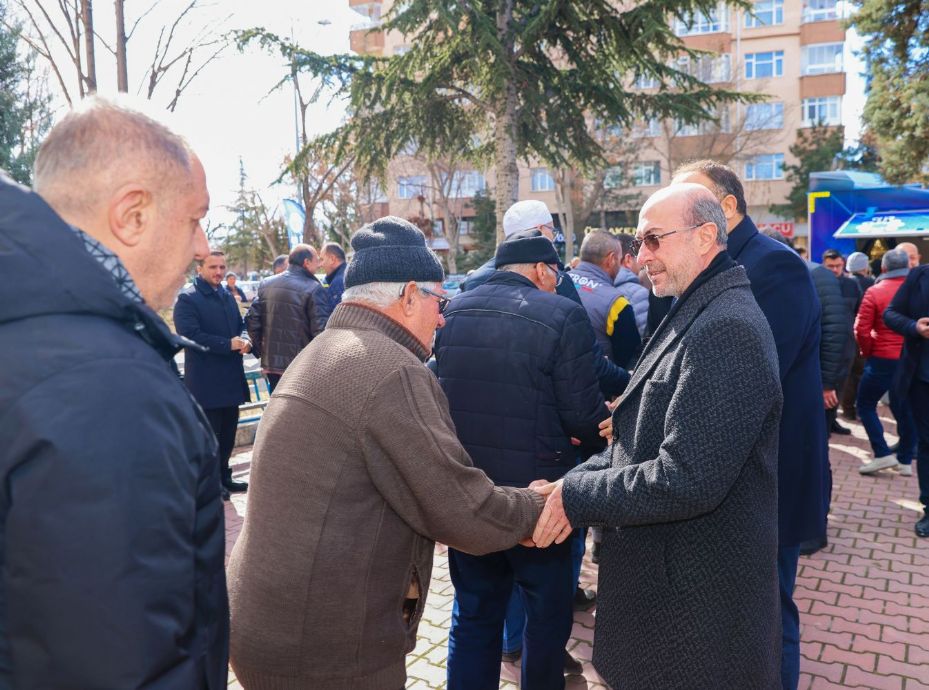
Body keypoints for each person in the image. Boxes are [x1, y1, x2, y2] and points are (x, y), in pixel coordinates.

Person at [227, 217, 545, 689]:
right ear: (410, 294)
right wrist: (538, 504)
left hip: (267, 622)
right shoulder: (391, 369)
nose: (442, 317)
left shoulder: (324, 349)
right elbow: (464, 513)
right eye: (440, 301)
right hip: (324, 652)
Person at [0, 98, 227, 687]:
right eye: (195, 219)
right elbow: (119, 663)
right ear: (133, 214)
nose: (202, 246)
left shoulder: (29, 334)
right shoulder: (106, 387)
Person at [531, 183, 782, 689]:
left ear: (706, 236)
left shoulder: (724, 327)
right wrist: (566, 486)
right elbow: (635, 441)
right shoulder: (695, 309)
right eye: (639, 243)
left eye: (652, 240)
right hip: (672, 597)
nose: (640, 256)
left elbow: (684, 478)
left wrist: (571, 496)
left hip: (693, 613)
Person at [673, 160, 827, 690]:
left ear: (728, 207)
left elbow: (750, 379)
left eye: (688, 198)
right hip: (728, 471)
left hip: (771, 473)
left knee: (768, 610)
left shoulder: (774, 266)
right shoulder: (709, 266)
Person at [435, 230, 608, 690]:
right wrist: (602, 444)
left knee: (474, 615)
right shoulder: (561, 316)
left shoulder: (451, 312)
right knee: (546, 621)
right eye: (555, 274)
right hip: (539, 501)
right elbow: (581, 414)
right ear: (540, 270)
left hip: (471, 497)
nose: (556, 282)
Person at [174, 250, 252, 499]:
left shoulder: (226, 295)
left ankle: (224, 477)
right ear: (199, 269)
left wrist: (247, 340)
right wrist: (227, 344)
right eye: (213, 267)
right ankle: (210, 485)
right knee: (209, 439)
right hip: (206, 382)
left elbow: (241, 325)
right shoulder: (187, 298)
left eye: (222, 267)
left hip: (230, 378)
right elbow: (189, 335)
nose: (219, 272)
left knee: (228, 434)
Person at [854, 249, 916, 475]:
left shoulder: (875, 291)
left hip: (882, 358)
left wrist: (867, 351)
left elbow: (861, 329)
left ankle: (881, 453)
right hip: (912, 358)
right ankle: (906, 460)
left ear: (883, 268)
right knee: (907, 406)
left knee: (865, 404)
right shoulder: (919, 289)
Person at [245, 244, 331, 393]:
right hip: (302, 368)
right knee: (302, 414)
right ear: (306, 262)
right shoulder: (314, 288)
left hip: (272, 367)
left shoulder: (266, 284)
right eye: (317, 260)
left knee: (277, 411)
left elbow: (252, 320)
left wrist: (262, 352)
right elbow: (321, 332)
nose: (319, 265)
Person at [884, 257, 929, 537]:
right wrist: (915, 327)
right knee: (927, 444)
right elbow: (891, 313)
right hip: (922, 379)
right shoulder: (919, 277)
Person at [568, 230, 641, 368]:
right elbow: (631, 360)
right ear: (611, 259)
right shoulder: (616, 304)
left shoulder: (557, 282)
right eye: (619, 260)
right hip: (601, 385)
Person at [821, 249, 862, 435]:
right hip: (826, 343)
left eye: (838, 266)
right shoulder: (818, 285)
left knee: (841, 384)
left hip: (847, 345)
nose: (835, 269)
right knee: (824, 385)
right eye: (831, 266)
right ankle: (823, 424)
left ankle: (832, 420)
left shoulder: (851, 285)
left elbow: (858, 311)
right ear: (824, 265)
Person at [841, 252, 873, 419]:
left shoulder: (843, 283)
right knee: (860, 372)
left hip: (845, 333)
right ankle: (861, 409)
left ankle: (847, 410)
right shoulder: (871, 283)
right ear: (865, 266)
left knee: (847, 373)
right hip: (864, 333)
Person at [613, 232, 650, 336]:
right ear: (628, 259)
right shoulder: (638, 293)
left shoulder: (599, 285)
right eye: (637, 255)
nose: (641, 261)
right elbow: (644, 337)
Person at [320, 241, 347, 308]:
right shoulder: (348, 273)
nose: (321, 264)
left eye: (322, 259)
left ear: (332, 259)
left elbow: (336, 316)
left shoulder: (338, 282)